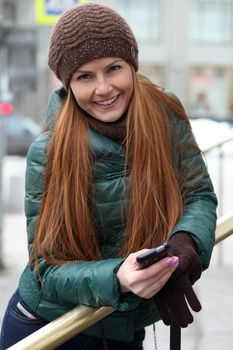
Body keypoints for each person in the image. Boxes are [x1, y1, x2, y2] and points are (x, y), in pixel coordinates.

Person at [0, 3, 217, 350]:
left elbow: (199, 195)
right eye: (85, 76)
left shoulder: (165, 116)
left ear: (131, 66)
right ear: (68, 84)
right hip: (51, 327)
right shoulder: (48, 151)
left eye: (113, 68)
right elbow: (46, 269)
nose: (103, 88)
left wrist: (186, 242)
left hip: (121, 327)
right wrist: (118, 277)